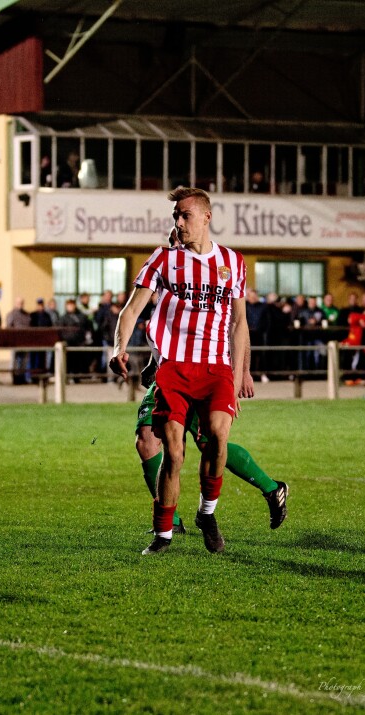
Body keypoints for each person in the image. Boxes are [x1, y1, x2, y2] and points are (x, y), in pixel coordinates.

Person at [110, 187, 249, 556]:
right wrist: (118, 348)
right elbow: (132, 309)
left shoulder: (233, 263)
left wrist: (240, 375)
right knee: (173, 452)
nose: (178, 222)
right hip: (173, 367)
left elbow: (239, 323)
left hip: (217, 367)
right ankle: (163, 534)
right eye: (175, 216)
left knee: (218, 437)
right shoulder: (164, 259)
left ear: (207, 217)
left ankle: (207, 514)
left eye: (185, 215)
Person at [135, 354, 287, 535]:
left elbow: (239, 329)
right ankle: (170, 521)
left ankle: (271, 488)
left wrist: (242, 373)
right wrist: (154, 362)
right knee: (146, 441)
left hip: (205, 374)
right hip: (169, 375)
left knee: (210, 445)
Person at [58, 298, 90, 380]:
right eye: (68, 305)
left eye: (72, 305)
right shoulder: (63, 318)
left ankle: (76, 377)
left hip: (79, 342)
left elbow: (86, 327)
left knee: (77, 360)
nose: (70, 307)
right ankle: (67, 377)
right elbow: (60, 330)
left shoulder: (81, 316)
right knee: (68, 361)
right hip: (68, 342)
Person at [5, 297, 31, 384]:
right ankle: (15, 378)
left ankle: (22, 377)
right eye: (19, 303)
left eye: (22, 303)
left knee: (24, 360)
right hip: (15, 341)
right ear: (15, 303)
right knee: (15, 360)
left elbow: (29, 325)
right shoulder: (12, 314)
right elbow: (9, 326)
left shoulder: (26, 315)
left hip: (25, 341)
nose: (20, 305)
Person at [245, 289, 269, 376]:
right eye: (251, 296)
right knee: (248, 355)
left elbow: (266, 321)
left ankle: (261, 373)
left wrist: (262, 329)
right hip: (247, 334)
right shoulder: (244, 306)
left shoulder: (263, 307)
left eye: (254, 296)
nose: (253, 298)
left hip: (259, 334)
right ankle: (249, 374)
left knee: (260, 354)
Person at [28, 298, 52, 375]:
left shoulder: (46, 315)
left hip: (43, 340)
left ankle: (41, 374)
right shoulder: (32, 315)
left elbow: (49, 326)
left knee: (42, 359)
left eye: (41, 305)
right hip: (33, 340)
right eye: (38, 305)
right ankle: (32, 374)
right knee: (33, 358)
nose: (40, 307)